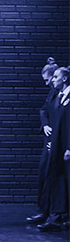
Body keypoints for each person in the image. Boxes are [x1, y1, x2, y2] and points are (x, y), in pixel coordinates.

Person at [29, 58, 61, 224]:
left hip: (57, 141)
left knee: (52, 177)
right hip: (49, 139)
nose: (47, 83)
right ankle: (44, 210)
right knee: (44, 174)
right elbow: (44, 110)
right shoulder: (52, 93)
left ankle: (52, 213)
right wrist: (46, 124)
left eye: (49, 79)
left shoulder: (60, 95)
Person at [38, 67, 70, 232]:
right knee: (56, 179)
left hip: (65, 147)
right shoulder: (58, 95)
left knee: (63, 181)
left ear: (64, 79)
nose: (52, 80)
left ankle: (60, 216)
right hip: (57, 144)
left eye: (56, 77)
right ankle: (56, 216)